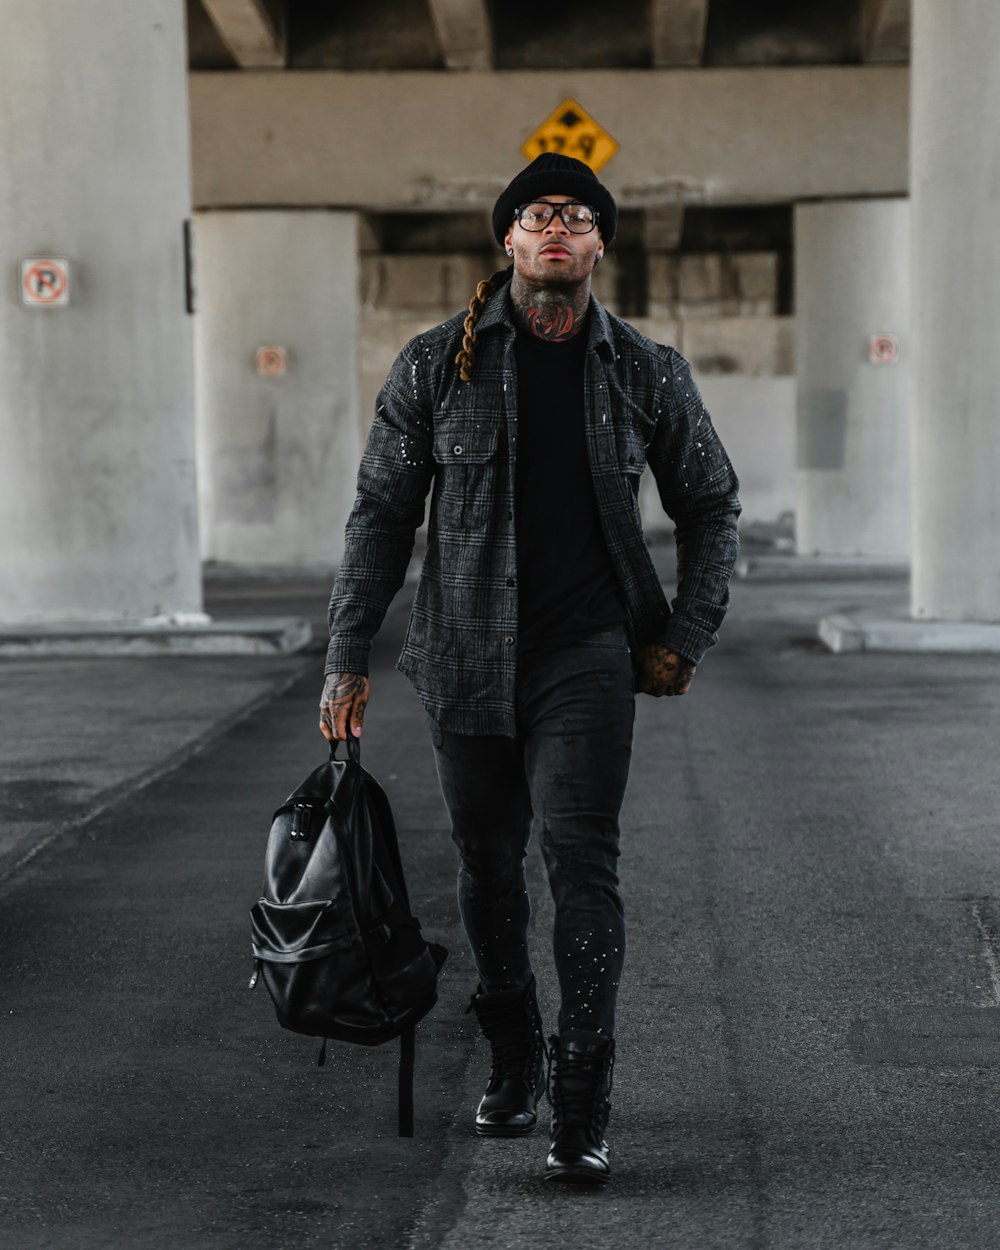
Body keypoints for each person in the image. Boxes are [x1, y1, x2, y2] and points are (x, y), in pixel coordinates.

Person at [319, 152, 740, 1184]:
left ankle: (582, 1094)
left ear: (599, 244)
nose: (557, 226)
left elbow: (711, 504)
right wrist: (344, 654)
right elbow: (380, 515)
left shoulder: (645, 368)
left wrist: (683, 632)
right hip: (461, 651)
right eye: (537, 214)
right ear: (507, 239)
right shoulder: (434, 365)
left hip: (587, 655)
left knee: (580, 861)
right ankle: (512, 1051)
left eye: (577, 215)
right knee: (486, 864)